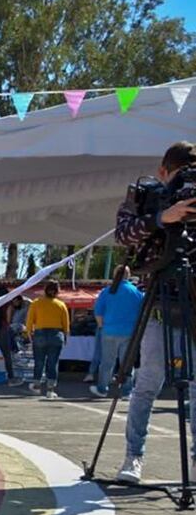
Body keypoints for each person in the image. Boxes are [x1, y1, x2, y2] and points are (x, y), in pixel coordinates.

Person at [113, 141, 196, 482]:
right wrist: (163, 217)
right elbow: (123, 236)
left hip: (193, 300)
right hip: (160, 301)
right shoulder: (146, 197)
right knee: (148, 382)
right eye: (180, 176)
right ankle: (133, 457)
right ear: (163, 172)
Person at [90, 265, 143, 399]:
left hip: (109, 330)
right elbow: (142, 313)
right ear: (129, 275)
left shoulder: (107, 291)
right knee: (127, 363)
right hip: (130, 332)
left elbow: (98, 312)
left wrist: (102, 326)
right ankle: (127, 391)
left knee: (107, 362)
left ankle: (102, 389)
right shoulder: (136, 292)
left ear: (115, 275)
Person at [25, 279, 69, 399]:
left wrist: (29, 333)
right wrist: (66, 336)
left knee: (39, 361)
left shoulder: (36, 303)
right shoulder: (61, 305)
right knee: (53, 362)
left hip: (40, 334)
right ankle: (50, 390)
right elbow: (66, 324)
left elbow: (29, 320)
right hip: (56, 335)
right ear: (57, 291)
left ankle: (36, 386)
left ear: (45, 290)